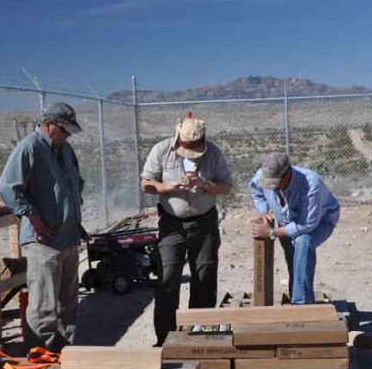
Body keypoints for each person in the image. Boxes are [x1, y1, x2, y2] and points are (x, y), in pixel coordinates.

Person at [0, 102, 86, 352]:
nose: (68, 135)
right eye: (64, 130)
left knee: (68, 303)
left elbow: (76, 182)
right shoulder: (29, 147)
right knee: (44, 306)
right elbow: (7, 189)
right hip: (44, 241)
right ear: (49, 126)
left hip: (68, 238)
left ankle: (66, 353)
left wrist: (71, 212)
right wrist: (33, 216)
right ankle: (41, 357)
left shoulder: (65, 149)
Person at [141, 112, 232, 345]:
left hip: (204, 223)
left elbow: (225, 187)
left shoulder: (214, 153)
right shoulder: (161, 150)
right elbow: (146, 184)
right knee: (168, 278)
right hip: (172, 225)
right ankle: (166, 339)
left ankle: (198, 336)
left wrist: (205, 184)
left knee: (204, 276)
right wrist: (167, 187)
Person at [249, 152, 340, 304]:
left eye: (276, 183)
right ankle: (298, 297)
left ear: (287, 174)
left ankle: (301, 304)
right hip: (287, 221)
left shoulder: (310, 183)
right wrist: (264, 211)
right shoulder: (262, 175)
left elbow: (307, 224)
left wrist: (271, 232)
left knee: (303, 242)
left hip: (321, 220)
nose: (273, 188)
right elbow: (256, 192)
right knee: (294, 259)